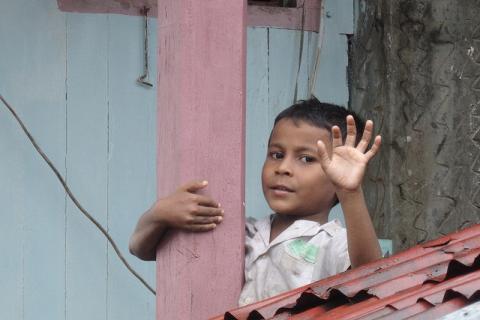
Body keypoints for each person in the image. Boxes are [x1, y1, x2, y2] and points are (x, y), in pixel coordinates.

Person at [129, 98, 382, 305]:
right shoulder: (240, 231)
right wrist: (159, 214)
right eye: (276, 154)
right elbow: (142, 249)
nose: (283, 168)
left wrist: (350, 192)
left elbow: (369, 273)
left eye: (306, 159)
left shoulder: (330, 241)